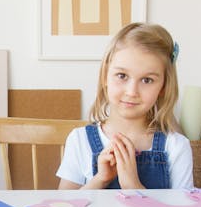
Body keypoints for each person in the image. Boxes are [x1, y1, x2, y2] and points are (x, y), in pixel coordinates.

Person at [57, 22, 193, 190]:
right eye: (122, 75)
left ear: (163, 87)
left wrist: (133, 185)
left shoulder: (176, 147)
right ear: (105, 76)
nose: (132, 91)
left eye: (147, 80)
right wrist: (100, 179)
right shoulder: (79, 140)